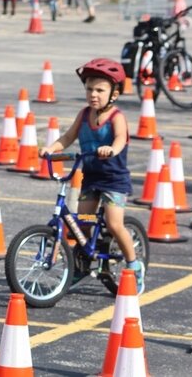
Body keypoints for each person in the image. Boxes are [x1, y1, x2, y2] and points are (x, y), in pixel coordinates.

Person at [39, 58, 145, 294]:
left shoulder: (117, 117)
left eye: (100, 90)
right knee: (82, 225)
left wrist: (112, 149)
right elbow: (67, 137)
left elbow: (119, 139)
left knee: (114, 224)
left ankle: (134, 265)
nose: (93, 94)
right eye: (89, 89)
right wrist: (50, 148)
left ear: (114, 94)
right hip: (91, 177)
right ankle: (82, 266)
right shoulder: (84, 113)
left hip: (113, 179)